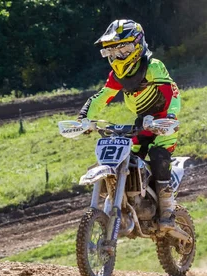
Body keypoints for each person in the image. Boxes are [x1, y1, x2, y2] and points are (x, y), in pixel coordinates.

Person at [78, 19, 182, 231]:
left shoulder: (152, 66)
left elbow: (171, 93)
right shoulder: (117, 75)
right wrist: (84, 119)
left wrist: (170, 116)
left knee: (160, 156)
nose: (119, 56)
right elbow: (101, 97)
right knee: (126, 156)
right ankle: (128, 199)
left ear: (138, 44)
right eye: (112, 52)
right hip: (142, 124)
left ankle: (168, 210)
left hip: (163, 124)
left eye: (124, 49)